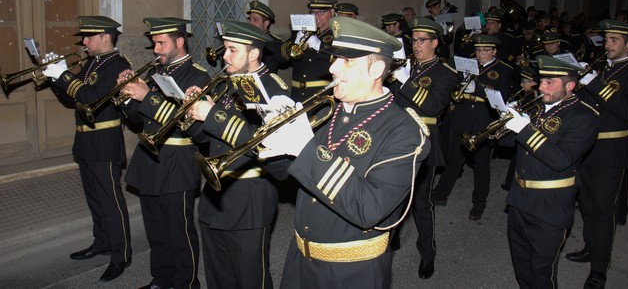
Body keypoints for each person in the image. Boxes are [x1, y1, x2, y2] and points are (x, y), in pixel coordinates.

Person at [260, 16, 429, 289]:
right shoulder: (327, 110)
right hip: (299, 260)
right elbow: (289, 175)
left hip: (352, 273)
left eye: (347, 61)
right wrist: (271, 139)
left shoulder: (405, 132)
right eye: (335, 58)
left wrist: (304, 148)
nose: (333, 67)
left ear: (377, 70)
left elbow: (369, 208)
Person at [185, 20, 289, 289]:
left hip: (249, 198)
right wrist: (195, 114)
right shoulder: (227, 83)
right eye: (224, 49)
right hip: (215, 195)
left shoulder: (273, 90)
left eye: (232, 50)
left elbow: (266, 145)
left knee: (250, 279)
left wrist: (214, 115)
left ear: (253, 54)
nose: (224, 56)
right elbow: (206, 140)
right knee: (219, 277)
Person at [119, 17, 209, 289]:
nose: (156, 49)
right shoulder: (155, 73)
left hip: (177, 162)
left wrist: (146, 95)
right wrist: (126, 93)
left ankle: (186, 283)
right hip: (149, 160)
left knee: (179, 232)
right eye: (154, 43)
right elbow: (136, 118)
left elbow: (184, 123)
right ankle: (162, 278)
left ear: (179, 41)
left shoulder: (198, 75)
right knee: (156, 231)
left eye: (161, 43)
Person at [43, 16, 132, 282]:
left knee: (111, 202)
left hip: (104, 143)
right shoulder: (94, 62)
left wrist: (65, 76)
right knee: (95, 199)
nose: (84, 42)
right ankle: (102, 242)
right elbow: (73, 98)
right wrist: (55, 77)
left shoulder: (117, 65)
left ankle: (121, 254)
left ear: (106, 37)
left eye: (88, 37)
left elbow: (92, 98)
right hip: (85, 141)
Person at [503, 56, 598, 289]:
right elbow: (505, 146)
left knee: (541, 273)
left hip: (550, 205)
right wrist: (506, 121)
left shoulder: (584, 116)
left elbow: (560, 159)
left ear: (570, 86)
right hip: (519, 198)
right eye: (541, 81)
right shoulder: (535, 106)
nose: (541, 87)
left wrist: (525, 129)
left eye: (550, 83)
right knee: (521, 265)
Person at [566, 19, 628, 289]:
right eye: (606, 39)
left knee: (602, 211)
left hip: (610, 152)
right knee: (586, 206)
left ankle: (599, 269)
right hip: (585, 149)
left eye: (614, 40)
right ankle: (589, 247)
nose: (607, 45)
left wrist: (594, 84)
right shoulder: (600, 67)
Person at [396, 17, 457, 280]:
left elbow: (433, 107)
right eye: (413, 40)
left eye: (422, 41)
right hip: (395, 138)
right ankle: (391, 237)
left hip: (424, 139)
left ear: (435, 43)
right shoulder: (404, 67)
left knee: (421, 201)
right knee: (391, 195)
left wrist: (405, 82)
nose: (416, 45)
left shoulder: (446, 74)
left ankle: (427, 253)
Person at [432, 34, 513, 220]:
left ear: (494, 51)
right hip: (461, 118)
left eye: (485, 50)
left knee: (481, 166)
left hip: (484, 122)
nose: (480, 54)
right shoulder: (468, 65)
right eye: (477, 50)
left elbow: (501, 96)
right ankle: (440, 193)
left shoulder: (503, 69)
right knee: (453, 161)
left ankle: (479, 203)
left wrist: (477, 87)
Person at [279, 0, 336, 103]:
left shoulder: (337, 35)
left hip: (321, 96)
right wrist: (294, 42)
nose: (316, 16)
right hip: (297, 95)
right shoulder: (301, 32)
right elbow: (279, 58)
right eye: (313, 12)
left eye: (321, 12)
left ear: (332, 12)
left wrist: (319, 46)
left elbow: (339, 59)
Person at [246, 0, 286, 73]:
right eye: (250, 19)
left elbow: (271, 67)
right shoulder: (246, 38)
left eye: (255, 20)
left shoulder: (273, 42)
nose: (251, 23)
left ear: (266, 23)